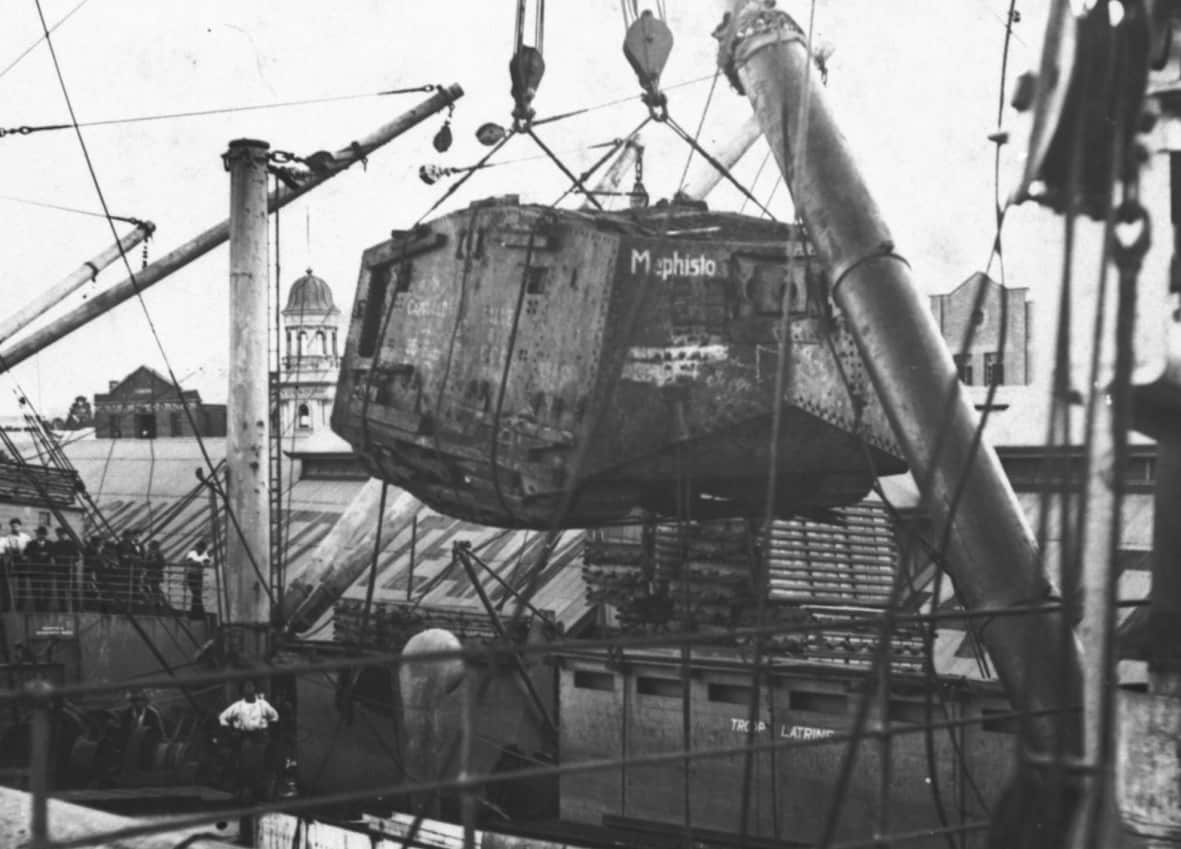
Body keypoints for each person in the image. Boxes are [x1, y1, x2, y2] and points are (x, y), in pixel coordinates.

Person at [50, 527, 80, 611]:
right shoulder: (55, 545)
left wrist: (69, 560)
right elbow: (52, 556)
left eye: (62, 534)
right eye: (58, 534)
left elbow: (77, 557)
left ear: (66, 535)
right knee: (61, 590)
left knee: (73, 589)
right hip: (59, 570)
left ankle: (76, 608)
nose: (60, 536)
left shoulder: (72, 544)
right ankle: (63, 608)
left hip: (70, 569)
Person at [24, 527, 53, 611]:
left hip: (47, 570)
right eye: (39, 533)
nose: (40, 535)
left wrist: (47, 554)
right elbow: (26, 553)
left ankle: (46, 607)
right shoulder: (31, 544)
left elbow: (54, 553)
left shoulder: (50, 543)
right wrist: (36, 554)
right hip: (35, 570)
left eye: (42, 534)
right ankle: (38, 607)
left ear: (45, 535)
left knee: (48, 589)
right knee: (36, 589)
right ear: (37, 534)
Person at [184, 540, 211, 619]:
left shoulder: (204, 554)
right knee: (196, 594)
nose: (200, 550)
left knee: (197, 594)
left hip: (199, 576)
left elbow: (206, 563)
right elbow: (189, 562)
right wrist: (198, 563)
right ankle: (199, 613)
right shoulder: (192, 553)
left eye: (202, 549)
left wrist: (198, 563)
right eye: (199, 548)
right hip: (191, 575)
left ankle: (195, 613)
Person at [141, 540, 167, 611]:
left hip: (154, 573)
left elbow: (162, 563)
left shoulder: (157, 553)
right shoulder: (150, 553)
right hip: (150, 573)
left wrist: (151, 563)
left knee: (154, 587)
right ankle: (155, 601)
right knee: (149, 587)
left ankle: (157, 602)